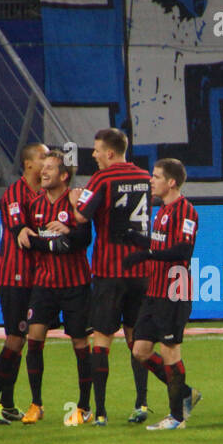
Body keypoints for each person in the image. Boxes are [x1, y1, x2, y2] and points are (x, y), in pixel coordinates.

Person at [68, 128, 154, 426]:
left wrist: (73, 200)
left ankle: (101, 411)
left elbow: (81, 216)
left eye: (96, 150)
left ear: (110, 153)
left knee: (102, 339)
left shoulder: (103, 179)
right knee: (136, 339)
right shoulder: (145, 177)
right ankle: (141, 402)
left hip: (109, 272)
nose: (93, 155)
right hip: (141, 272)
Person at [14, 151, 94, 425]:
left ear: (64, 176)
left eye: (49, 168)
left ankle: (84, 407)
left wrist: (67, 233)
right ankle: (36, 404)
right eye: (42, 168)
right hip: (44, 285)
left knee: (80, 344)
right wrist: (21, 230)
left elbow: (84, 239)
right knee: (34, 340)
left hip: (76, 285)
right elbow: (24, 234)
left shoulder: (75, 201)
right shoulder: (33, 203)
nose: (43, 172)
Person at [124, 158, 201, 431]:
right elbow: (161, 245)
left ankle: (177, 417)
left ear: (171, 182)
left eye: (156, 176)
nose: (151, 180)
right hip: (154, 292)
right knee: (140, 350)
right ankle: (185, 393)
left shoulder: (186, 211)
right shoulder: (162, 211)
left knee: (170, 352)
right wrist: (138, 241)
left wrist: (147, 253)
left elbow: (183, 251)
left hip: (174, 292)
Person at [0, 142, 45, 425]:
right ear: (28, 164)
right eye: (43, 157)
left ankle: (6, 404)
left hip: (36, 276)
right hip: (15, 277)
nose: (48, 160)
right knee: (15, 339)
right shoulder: (15, 193)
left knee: (23, 342)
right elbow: (23, 234)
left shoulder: (43, 193)